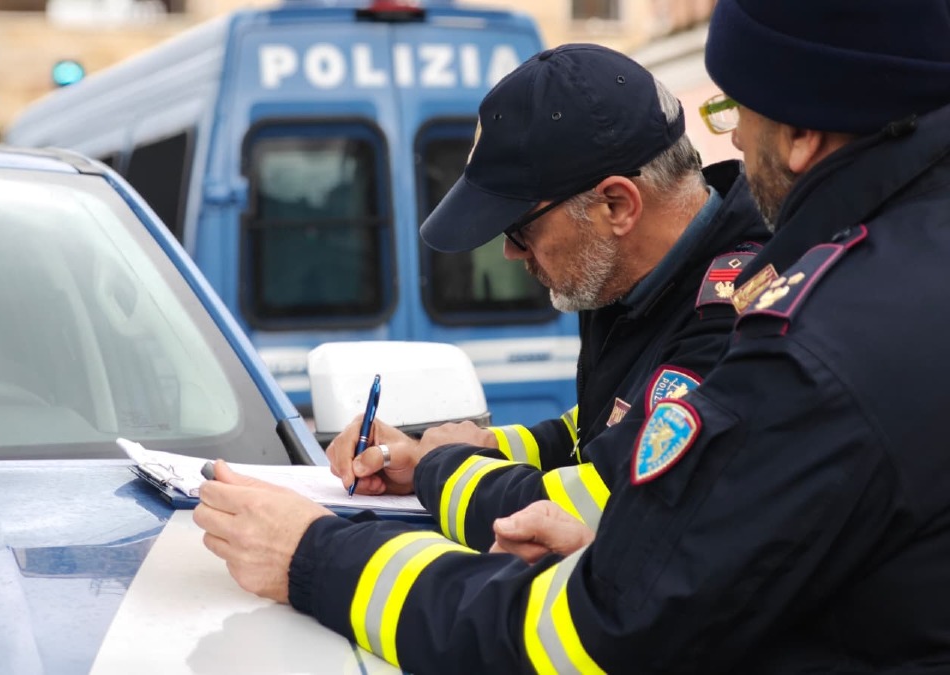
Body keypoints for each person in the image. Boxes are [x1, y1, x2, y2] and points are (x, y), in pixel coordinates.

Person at [195, 0, 950, 670]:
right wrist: (485, 450)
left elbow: (594, 628)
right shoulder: (881, 277)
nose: (510, 256)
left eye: (736, 111)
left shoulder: (802, 336)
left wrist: (313, 554)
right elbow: (612, 437)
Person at [327, 43, 767, 553]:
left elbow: (610, 500)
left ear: (616, 204)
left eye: (519, 229)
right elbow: (603, 429)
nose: (512, 254)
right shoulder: (637, 279)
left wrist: (439, 468)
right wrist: (484, 448)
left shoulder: (741, 315)